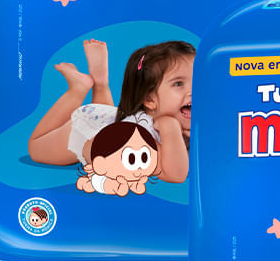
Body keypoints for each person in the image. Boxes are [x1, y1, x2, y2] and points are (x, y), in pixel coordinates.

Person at [28, 39, 193, 183]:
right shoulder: (142, 138)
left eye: (197, 81)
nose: (193, 91)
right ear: (150, 99)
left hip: (110, 121)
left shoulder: (172, 120)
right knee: (35, 148)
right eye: (178, 84)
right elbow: (176, 174)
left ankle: (100, 82)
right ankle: (77, 89)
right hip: (82, 134)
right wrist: (171, 128)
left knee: (113, 127)